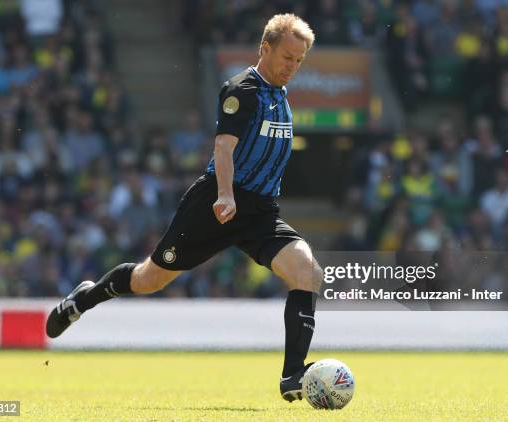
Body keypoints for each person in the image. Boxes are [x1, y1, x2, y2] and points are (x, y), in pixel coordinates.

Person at [46, 13, 322, 403]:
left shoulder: (280, 95)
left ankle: (293, 375)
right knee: (149, 280)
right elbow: (223, 147)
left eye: (299, 60)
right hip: (214, 204)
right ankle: (83, 300)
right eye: (287, 57)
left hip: (260, 213)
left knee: (306, 270)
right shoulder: (242, 90)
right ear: (265, 49)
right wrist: (225, 194)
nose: (293, 66)